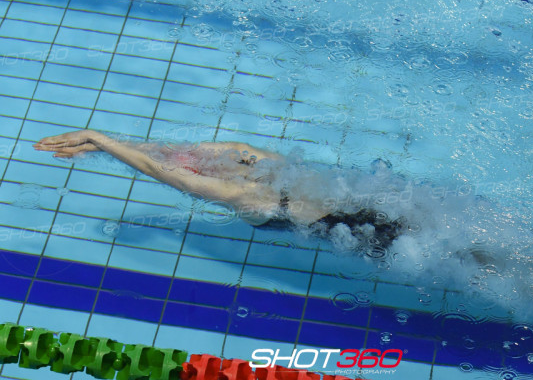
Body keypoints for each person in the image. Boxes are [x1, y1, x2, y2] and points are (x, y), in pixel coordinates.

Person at [34, 130, 405, 250]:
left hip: (360, 213)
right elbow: (162, 166)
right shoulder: (253, 193)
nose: (200, 159)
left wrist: (100, 142)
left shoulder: (249, 165)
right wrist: (99, 141)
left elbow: (166, 159)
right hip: (354, 225)